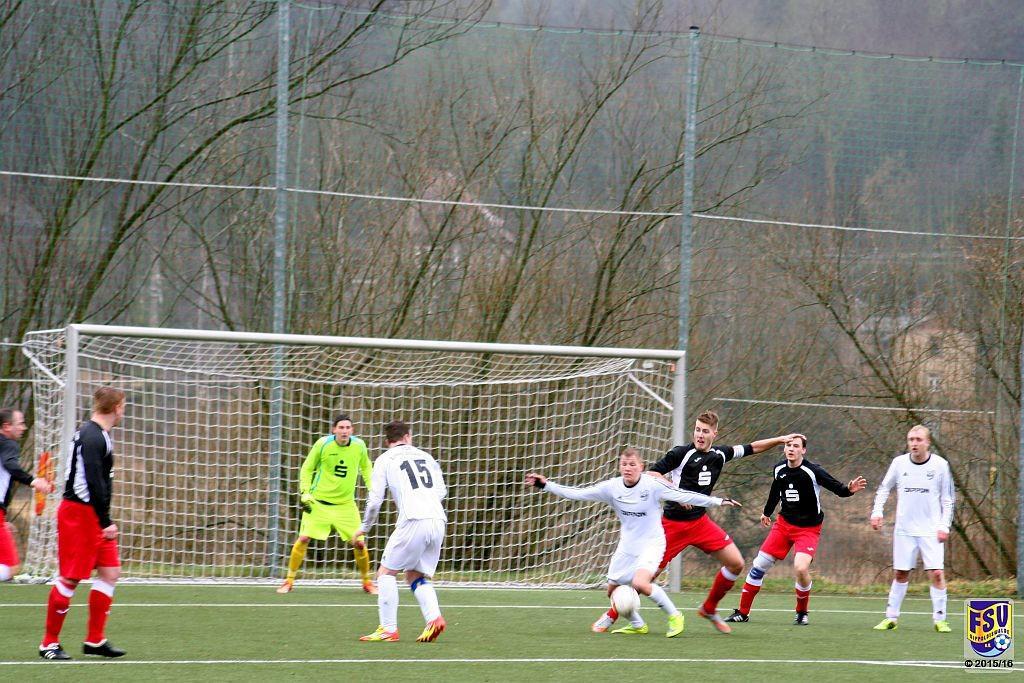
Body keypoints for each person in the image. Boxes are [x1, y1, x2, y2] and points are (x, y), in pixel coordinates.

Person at [593, 410, 801, 635]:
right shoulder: (681, 453)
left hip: (700, 523)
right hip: (671, 526)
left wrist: (779, 440)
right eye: (697, 430)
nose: (700, 435)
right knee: (644, 579)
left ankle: (709, 608)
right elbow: (652, 474)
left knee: (736, 563)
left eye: (705, 431)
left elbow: (753, 447)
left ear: (714, 434)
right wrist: (677, 494)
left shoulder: (720, 454)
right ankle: (611, 615)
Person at [529, 447, 741, 637]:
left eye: (632, 464)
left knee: (640, 583)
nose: (628, 468)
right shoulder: (612, 487)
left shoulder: (653, 486)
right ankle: (638, 624)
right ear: (619, 467)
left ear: (641, 467)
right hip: (628, 545)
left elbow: (685, 495)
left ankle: (675, 616)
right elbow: (577, 493)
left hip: (652, 543)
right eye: (624, 464)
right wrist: (545, 485)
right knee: (613, 591)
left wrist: (718, 501)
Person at [725, 435, 866, 626]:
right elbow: (775, 491)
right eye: (788, 445)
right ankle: (742, 612)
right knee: (758, 566)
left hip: (808, 529)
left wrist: (849, 489)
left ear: (803, 450)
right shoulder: (779, 469)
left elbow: (838, 489)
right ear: (784, 448)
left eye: (796, 446)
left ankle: (801, 612)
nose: (791, 448)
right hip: (783, 526)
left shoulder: (813, 471)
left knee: (800, 568)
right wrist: (767, 512)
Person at [39, 387, 127, 660]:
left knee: (110, 571)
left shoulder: (99, 434)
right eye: (123, 407)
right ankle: (49, 644)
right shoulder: (92, 436)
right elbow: (93, 481)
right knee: (71, 577)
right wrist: (105, 521)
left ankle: (95, 640)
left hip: (93, 514)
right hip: (80, 514)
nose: (123, 412)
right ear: (116, 408)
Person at [358, 420, 448, 643]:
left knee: (385, 573)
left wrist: (364, 528)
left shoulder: (385, 459)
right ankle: (434, 619)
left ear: (387, 441)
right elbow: (441, 491)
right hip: (437, 520)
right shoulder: (426, 457)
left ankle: (388, 629)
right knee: (415, 575)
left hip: (414, 520)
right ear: (408, 436)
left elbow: (374, 501)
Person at [870, 425, 955, 633]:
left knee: (937, 573)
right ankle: (891, 618)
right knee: (900, 573)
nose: (914, 443)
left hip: (931, 530)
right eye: (911, 440)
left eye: (918, 440)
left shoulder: (940, 465)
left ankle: (940, 620)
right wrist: (877, 512)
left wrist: (944, 525)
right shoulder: (899, 463)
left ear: (928, 443)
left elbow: (948, 499)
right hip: (904, 529)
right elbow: (884, 488)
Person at [277, 414, 376, 594]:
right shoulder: (323, 444)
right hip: (319, 503)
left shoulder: (359, 446)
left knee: (360, 544)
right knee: (303, 538)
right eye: (341, 427)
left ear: (352, 430)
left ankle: (367, 582)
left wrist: (373, 489)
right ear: (334, 430)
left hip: (346, 505)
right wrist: (305, 493)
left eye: (348, 428)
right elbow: (307, 468)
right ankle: (289, 581)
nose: (344, 431)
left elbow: (366, 468)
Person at [0, 408, 54, 581]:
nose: (24, 428)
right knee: (10, 567)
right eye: (20, 423)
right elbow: (10, 465)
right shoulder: (9, 444)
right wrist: (33, 481)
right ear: (6, 426)